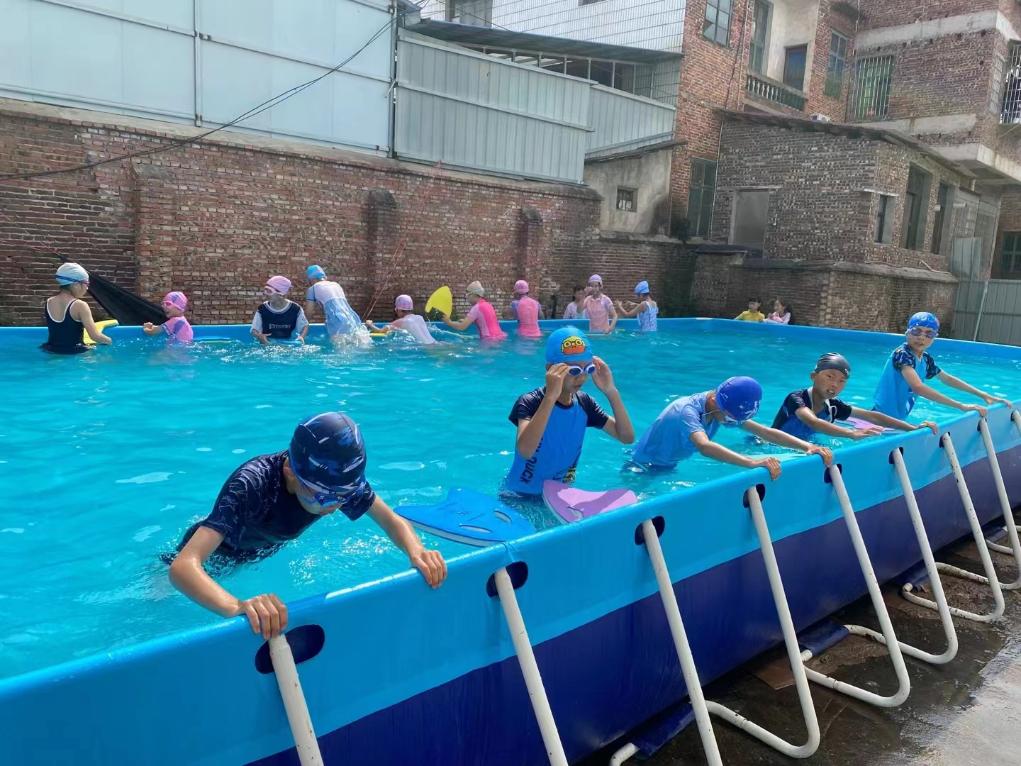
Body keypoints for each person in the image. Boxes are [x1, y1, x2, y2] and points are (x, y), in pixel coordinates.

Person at [168, 412, 447, 638]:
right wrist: (236, 606)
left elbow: (390, 519)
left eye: (345, 496)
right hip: (214, 556)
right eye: (327, 497)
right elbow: (183, 567)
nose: (335, 506)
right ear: (290, 471)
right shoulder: (251, 485)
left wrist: (417, 552)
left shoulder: (336, 483)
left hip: (260, 550)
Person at [505, 326, 634, 495]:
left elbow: (626, 437)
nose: (581, 377)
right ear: (551, 369)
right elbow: (525, 451)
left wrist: (611, 391)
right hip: (520, 495)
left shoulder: (584, 403)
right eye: (573, 370)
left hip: (560, 496)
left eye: (588, 369)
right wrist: (550, 397)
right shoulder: (531, 401)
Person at [629, 376, 832, 479]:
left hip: (670, 463)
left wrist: (807, 446)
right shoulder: (686, 411)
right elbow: (705, 446)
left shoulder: (722, 408)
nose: (731, 422)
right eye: (729, 417)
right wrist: (751, 462)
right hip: (643, 465)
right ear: (715, 400)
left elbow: (764, 432)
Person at [873, 312, 1011, 419]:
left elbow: (947, 379)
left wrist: (983, 394)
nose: (921, 337)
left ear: (934, 337)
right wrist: (961, 406)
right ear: (907, 332)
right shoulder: (902, 354)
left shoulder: (925, 360)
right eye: (916, 331)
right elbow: (918, 387)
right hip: (880, 418)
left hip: (896, 420)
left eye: (929, 334)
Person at [772, 353, 938, 441]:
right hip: (770, 446)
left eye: (841, 381)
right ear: (813, 376)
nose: (834, 384)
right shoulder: (796, 398)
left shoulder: (833, 407)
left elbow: (873, 416)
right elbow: (813, 422)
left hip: (802, 447)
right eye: (829, 376)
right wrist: (850, 433)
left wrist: (912, 428)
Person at [42, 262, 112, 354]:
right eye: (86, 284)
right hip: (75, 352)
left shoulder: (49, 302)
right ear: (76, 284)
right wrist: (110, 341)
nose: (87, 288)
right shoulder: (80, 305)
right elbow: (95, 336)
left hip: (51, 350)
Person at [304, 265, 370, 344]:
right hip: (353, 320)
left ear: (312, 279)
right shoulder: (336, 285)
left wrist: (303, 326)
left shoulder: (312, 289)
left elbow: (309, 312)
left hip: (337, 322)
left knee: (341, 350)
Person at [251, 275, 309, 345]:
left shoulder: (295, 309)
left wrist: (301, 337)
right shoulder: (262, 309)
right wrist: (259, 336)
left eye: (269, 291)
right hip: (268, 344)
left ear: (281, 295)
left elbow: (304, 326)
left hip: (289, 345)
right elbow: (254, 330)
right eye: (265, 290)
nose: (265, 294)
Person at [441, 281, 507, 340]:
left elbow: (461, 327)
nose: (467, 298)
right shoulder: (488, 305)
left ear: (474, 294)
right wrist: (466, 321)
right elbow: (486, 321)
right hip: (500, 337)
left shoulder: (476, 308)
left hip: (488, 340)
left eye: (468, 295)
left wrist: (449, 322)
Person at [365, 294, 437, 344]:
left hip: (427, 348)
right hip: (436, 343)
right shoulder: (420, 317)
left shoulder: (400, 322)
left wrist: (370, 325)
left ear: (398, 310)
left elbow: (381, 331)